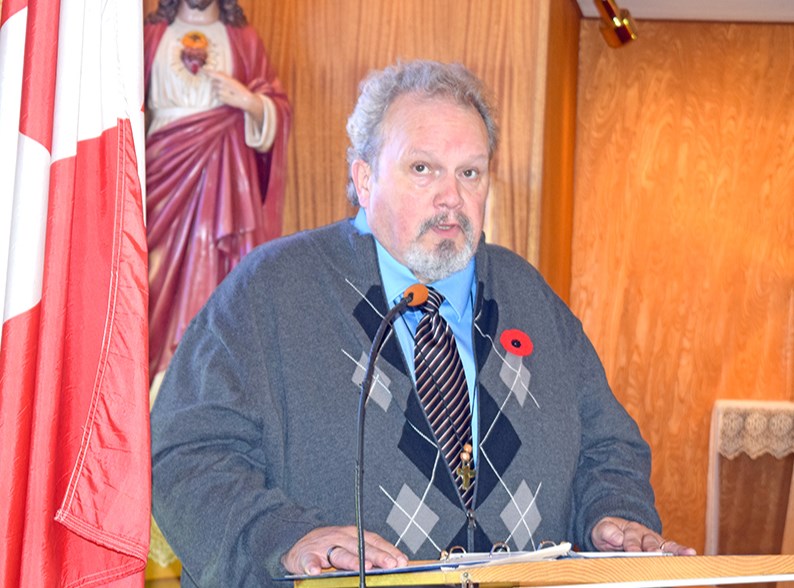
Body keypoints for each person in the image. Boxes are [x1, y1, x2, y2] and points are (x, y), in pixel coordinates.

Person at [150, 59, 695, 587]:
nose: (451, 197)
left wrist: (611, 514)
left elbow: (609, 447)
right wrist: (287, 540)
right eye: (422, 168)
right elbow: (185, 454)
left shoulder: (527, 295)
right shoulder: (270, 291)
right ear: (364, 179)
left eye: (469, 172)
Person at [143, 0, 291, 395]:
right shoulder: (151, 34)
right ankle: (152, 383)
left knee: (216, 278)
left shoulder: (243, 39)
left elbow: (277, 108)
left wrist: (249, 102)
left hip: (224, 182)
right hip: (161, 183)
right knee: (153, 280)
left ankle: (203, 384)